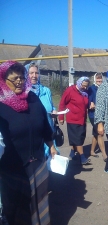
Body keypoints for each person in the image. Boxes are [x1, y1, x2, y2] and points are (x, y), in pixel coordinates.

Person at [0, 61, 57, 225]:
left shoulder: (32, 98)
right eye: (14, 78)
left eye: (21, 77)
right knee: (17, 204)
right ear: (4, 80)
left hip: (37, 161)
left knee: (40, 200)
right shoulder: (0, 104)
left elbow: (45, 126)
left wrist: (51, 145)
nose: (19, 81)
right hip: (12, 165)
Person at [25, 62, 60, 157]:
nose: (34, 76)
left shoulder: (46, 90)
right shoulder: (24, 92)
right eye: (31, 73)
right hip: (33, 132)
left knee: (52, 157)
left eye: (36, 73)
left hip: (48, 129)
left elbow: (51, 106)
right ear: (25, 74)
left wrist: (54, 111)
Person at [59, 76, 90, 165]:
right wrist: (61, 117)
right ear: (79, 83)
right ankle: (82, 157)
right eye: (83, 85)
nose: (84, 88)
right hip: (72, 119)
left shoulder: (84, 92)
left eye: (86, 86)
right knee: (77, 139)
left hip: (82, 119)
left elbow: (85, 103)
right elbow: (62, 103)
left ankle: (72, 152)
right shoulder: (70, 90)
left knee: (80, 137)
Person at [88, 73, 107, 161]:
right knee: (100, 133)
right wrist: (90, 103)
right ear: (95, 80)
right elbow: (89, 100)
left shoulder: (104, 88)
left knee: (96, 133)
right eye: (98, 80)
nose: (99, 81)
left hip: (102, 114)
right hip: (93, 114)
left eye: (100, 80)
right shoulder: (91, 88)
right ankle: (104, 154)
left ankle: (92, 151)